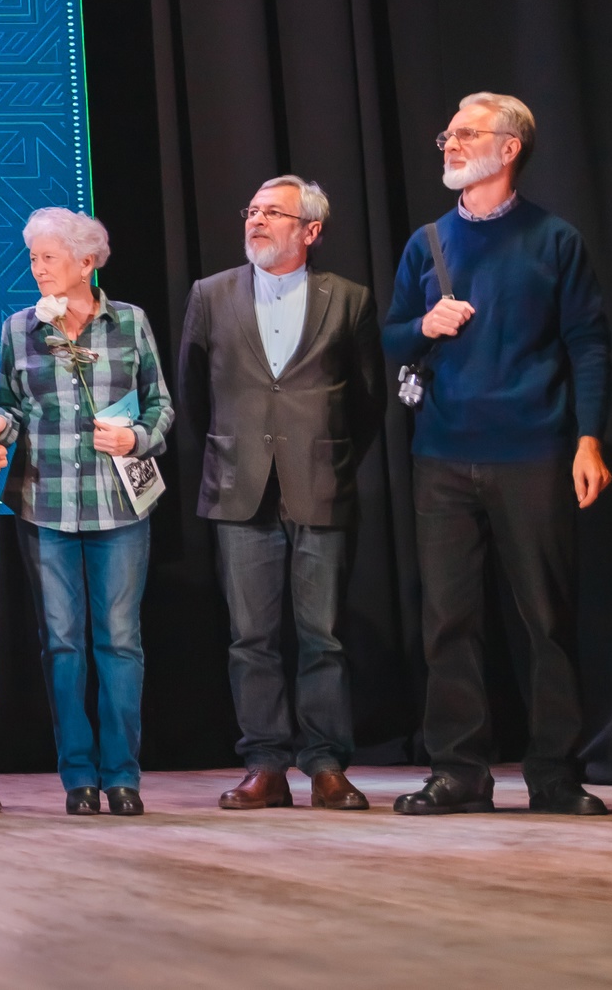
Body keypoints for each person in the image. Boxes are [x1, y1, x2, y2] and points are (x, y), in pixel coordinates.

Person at [384, 94, 612, 817]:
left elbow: (589, 343)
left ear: (509, 148)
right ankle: (458, 772)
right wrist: (423, 323)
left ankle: (555, 774)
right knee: (448, 620)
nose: (450, 143)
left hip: (533, 450)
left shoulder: (554, 239)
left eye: (466, 133)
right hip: (441, 456)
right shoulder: (428, 242)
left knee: (546, 618)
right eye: (447, 134)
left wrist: (588, 439)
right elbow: (391, 337)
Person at [177, 176, 381, 812]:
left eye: (273, 213)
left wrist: (328, 458)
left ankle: (325, 764)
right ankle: (265, 763)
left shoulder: (348, 299)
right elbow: (193, 393)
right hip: (240, 487)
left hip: (320, 484)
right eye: (253, 210)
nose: (256, 221)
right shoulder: (211, 294)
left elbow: (368, 401)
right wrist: (234, 454)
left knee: (323, 635)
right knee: (251, 637)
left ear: (310, 231)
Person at [0, 207, 171, 817]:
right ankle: (79, 777)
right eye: (33, 258)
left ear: (86, 262)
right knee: (61, 644)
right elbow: (11, 405)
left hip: (119, 507)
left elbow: (161, 405)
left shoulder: (130, 323)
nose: (37, 269)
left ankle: (123, 776)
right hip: (45, 505)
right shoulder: (20, 328)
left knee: (120, 641)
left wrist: (137, 437)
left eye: (48, 258)